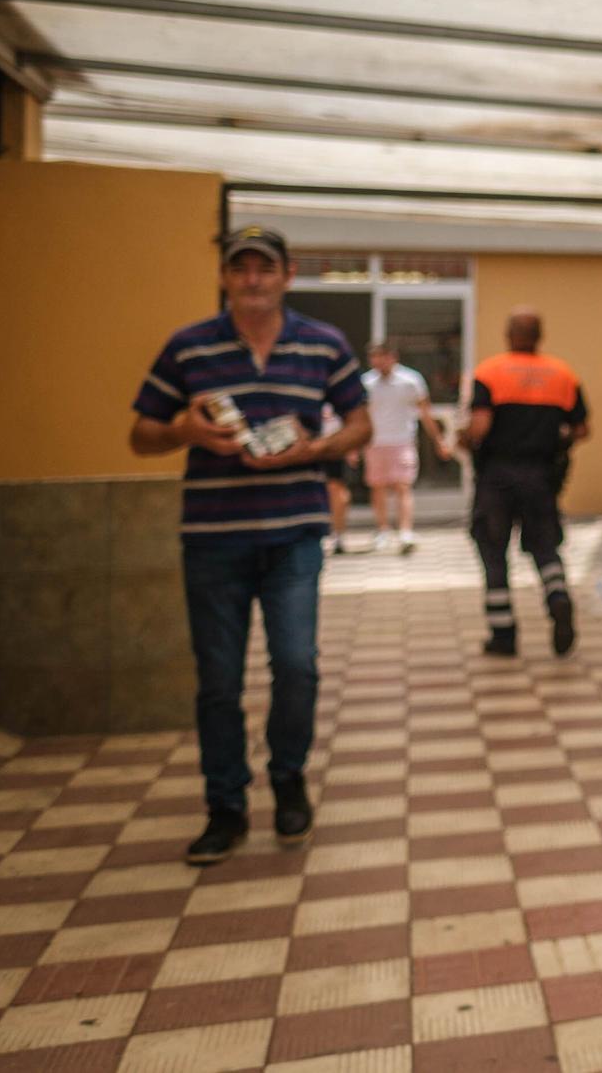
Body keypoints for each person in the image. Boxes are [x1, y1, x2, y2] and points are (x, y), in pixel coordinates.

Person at [129, 225, 372, 865]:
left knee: (297, 665)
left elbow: (360, 424)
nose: (253, 279)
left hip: (295, 534)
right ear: (225, 278)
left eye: (265, 268)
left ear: (287, 274)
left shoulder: (323, 345)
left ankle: (288, 777)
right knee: (217, 681)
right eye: (242, 269)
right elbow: (142, 434)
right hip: (213, 539)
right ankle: (226, 806)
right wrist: (185, 429)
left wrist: (313, 449)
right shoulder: (189, 348)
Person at [464, 308, 588, 657]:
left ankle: (503, 635)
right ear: (539, 336)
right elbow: (581, 429)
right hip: (540, 476)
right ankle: (558, 596)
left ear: (508, 335)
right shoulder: (562, 374)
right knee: (545, 546)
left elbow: (480, 427)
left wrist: (464, 439)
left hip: (497, 478)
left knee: (493, 552)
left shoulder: (489, 372)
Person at [359, 340, 452, 553]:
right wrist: (354, 446)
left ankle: (405, 532)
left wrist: (438, 441)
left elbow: (425, 413)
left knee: (403, 485)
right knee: (378, 487)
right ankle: (382, 530)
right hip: (374, 442)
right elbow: (360, 417)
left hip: (402, 441)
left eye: (381, 356)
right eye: (373, 357)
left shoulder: (411, 380)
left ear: (392, 357)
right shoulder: (365, 383)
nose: (377, 361)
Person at [321, 403, 351, 555]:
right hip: (307, 447)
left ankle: (338, 534)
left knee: (337, 491)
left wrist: (352, 447)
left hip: (335, 448)